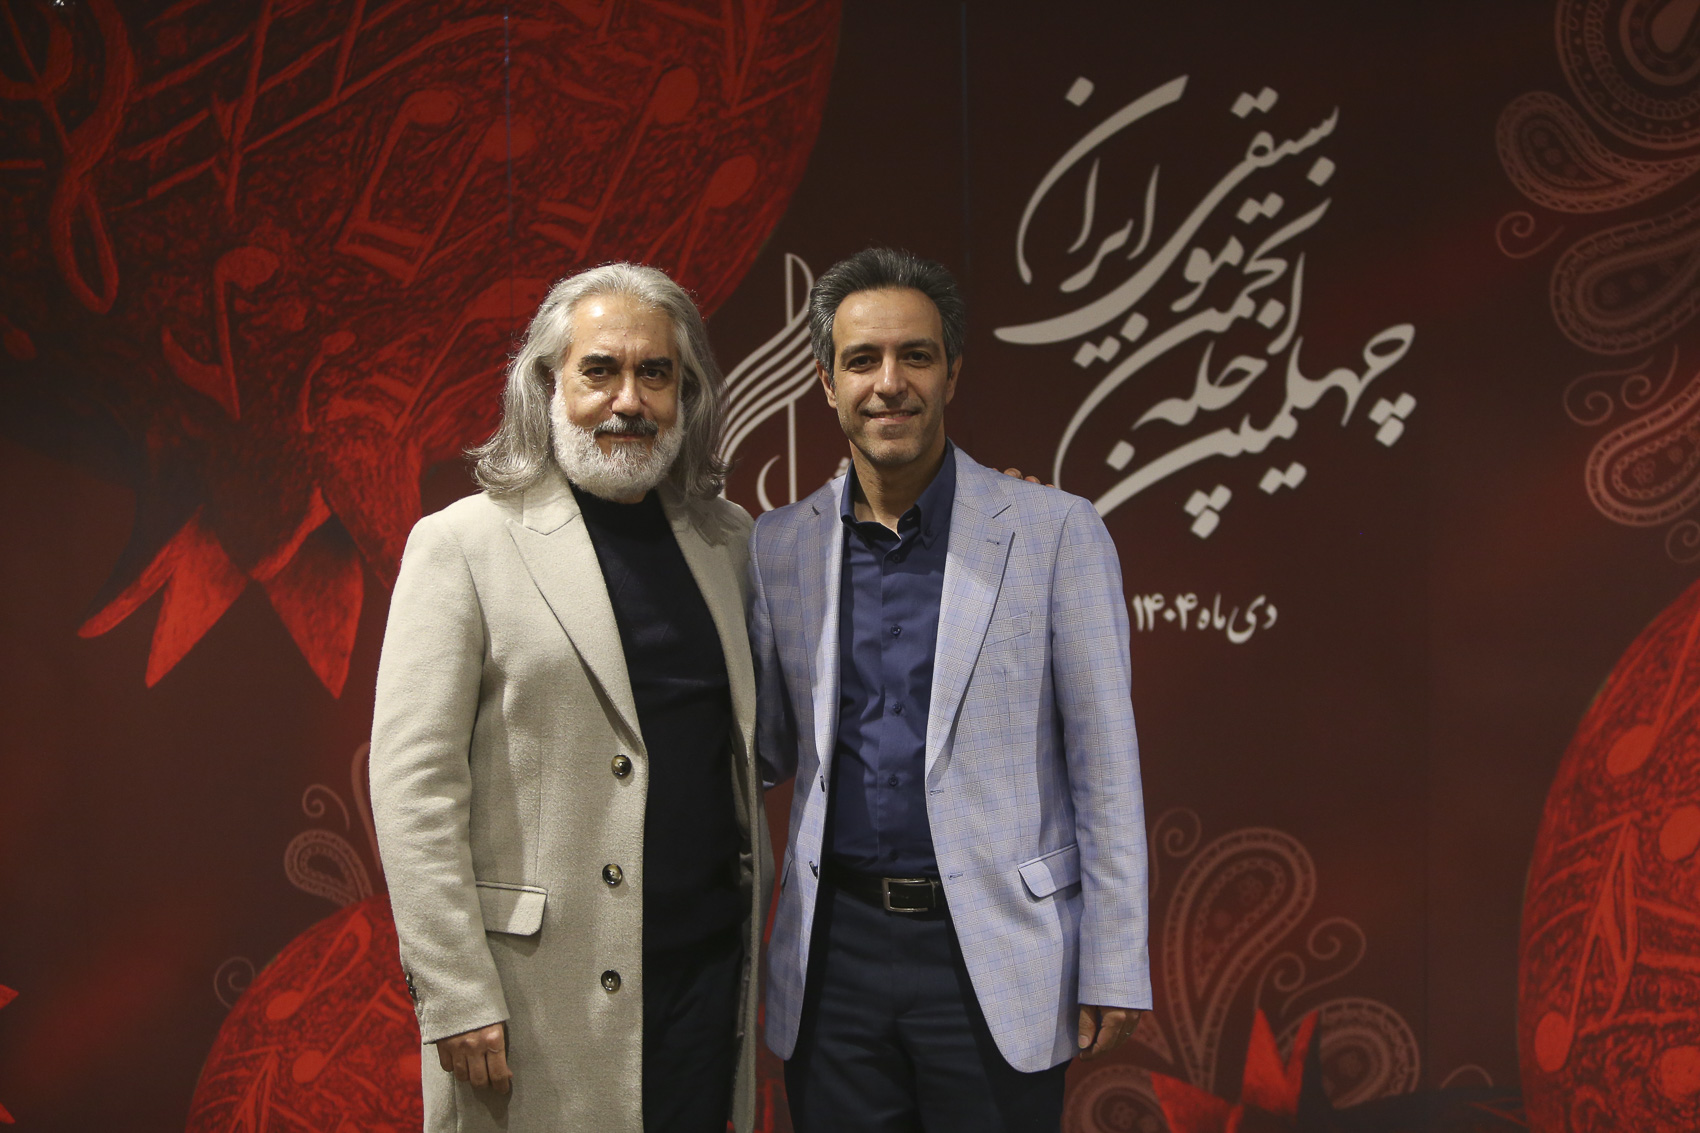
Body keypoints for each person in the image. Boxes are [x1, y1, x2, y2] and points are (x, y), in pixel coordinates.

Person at [748, 248, 1152, 1131]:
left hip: (995, 949)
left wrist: (1116, 959)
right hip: (833, 956)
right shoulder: (777, 546)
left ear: (953, 373)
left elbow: (1106, 766)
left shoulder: (1055, 531)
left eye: (916, 356)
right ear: (826, 382)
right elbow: (767, 748)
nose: (889, 383)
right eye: (862, 360)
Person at [369, 263, 769, 1133]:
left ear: (686, 393)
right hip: (534, 998)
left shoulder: (728, 541)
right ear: (548, 383)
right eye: (600, 371)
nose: (629, 400)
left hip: (705, 984)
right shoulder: (462, 543)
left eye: (655, 373)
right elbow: (413, 788)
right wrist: (455, 991)